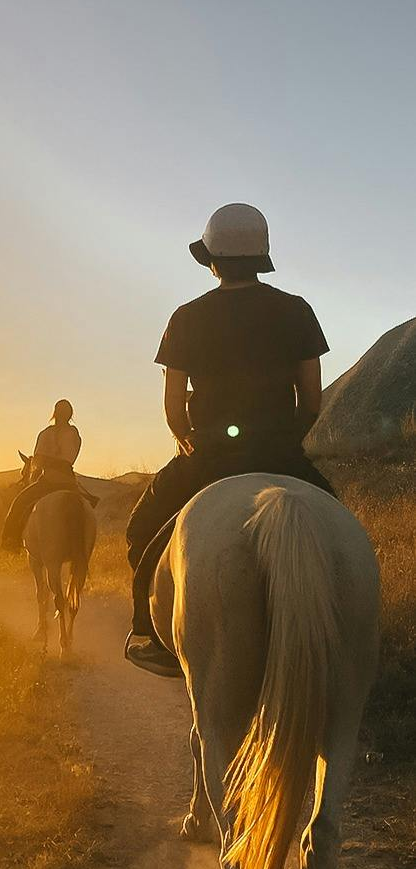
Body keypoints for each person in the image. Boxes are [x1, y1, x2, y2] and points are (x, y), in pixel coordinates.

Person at [122, 203, 335, 675]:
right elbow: (312, 399)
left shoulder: (186, 317)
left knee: (142, 529)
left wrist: (186, 440)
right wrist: (285, 440)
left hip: (209, 454)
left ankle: (149, 633)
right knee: (339, 527)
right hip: (278, 450)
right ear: (261, 257)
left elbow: (174, 404)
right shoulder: (296, 309)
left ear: (213, 261)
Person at [0, 401, 90, 552]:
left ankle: (10, 539)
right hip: (69, 482)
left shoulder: (46, 433)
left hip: (49, 481)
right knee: (87, 507)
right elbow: (70, 458)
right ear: (70, 414)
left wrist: (48, 461)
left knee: (19, 503)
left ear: (55, 413)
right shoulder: (74, 433)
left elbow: (38, 459)